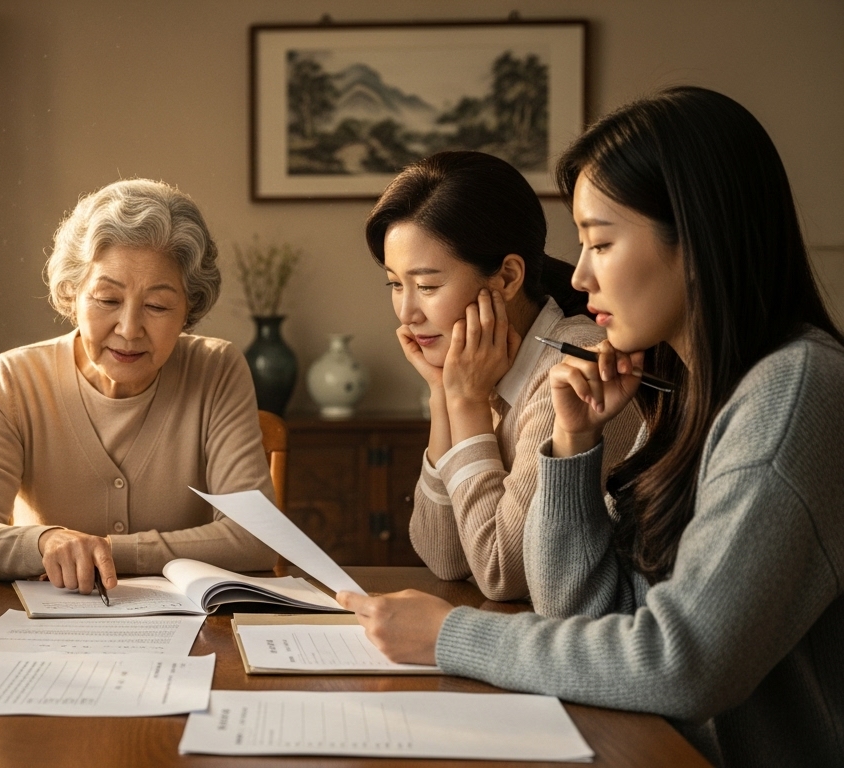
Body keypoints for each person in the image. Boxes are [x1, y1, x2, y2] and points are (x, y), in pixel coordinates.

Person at [337, 87, 844, 765]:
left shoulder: (794, 390)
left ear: (697, 237)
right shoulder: (684, 392)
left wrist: (450, 636)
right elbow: (582, 615)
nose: (577, 275)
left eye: (600, 242)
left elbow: (682, 661)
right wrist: (573, 449)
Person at [0, 179, 277, 591]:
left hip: (188, 631)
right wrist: (46, 541)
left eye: (157, 306)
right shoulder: (15, 378)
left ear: (190, 308)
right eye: (107, 299)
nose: (129, 329)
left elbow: (257, 539)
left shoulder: (216, 369)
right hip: (45, 634)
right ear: (73, 292)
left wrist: (104, 550)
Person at [368, 151, 642, 601]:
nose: (407, 312)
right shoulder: (479, 371)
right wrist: (442, 394)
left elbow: (502, 572)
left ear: (508, 277)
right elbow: (444, 557)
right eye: (396, 284)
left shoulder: (576, 366)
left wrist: (466, 405)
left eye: (428, 286)